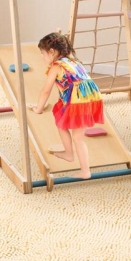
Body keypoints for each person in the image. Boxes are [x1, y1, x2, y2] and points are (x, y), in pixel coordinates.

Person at [30, 32, 104, 179]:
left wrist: (38, 109)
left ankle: (85, 171)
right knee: (62, 122)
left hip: (78, 100)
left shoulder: (56, 67)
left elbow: (45, 91)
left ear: (52, 52)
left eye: (42, 53)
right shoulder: (73, 61)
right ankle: (69, 154)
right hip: (92, 97)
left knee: (77, 137)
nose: (41, 56)